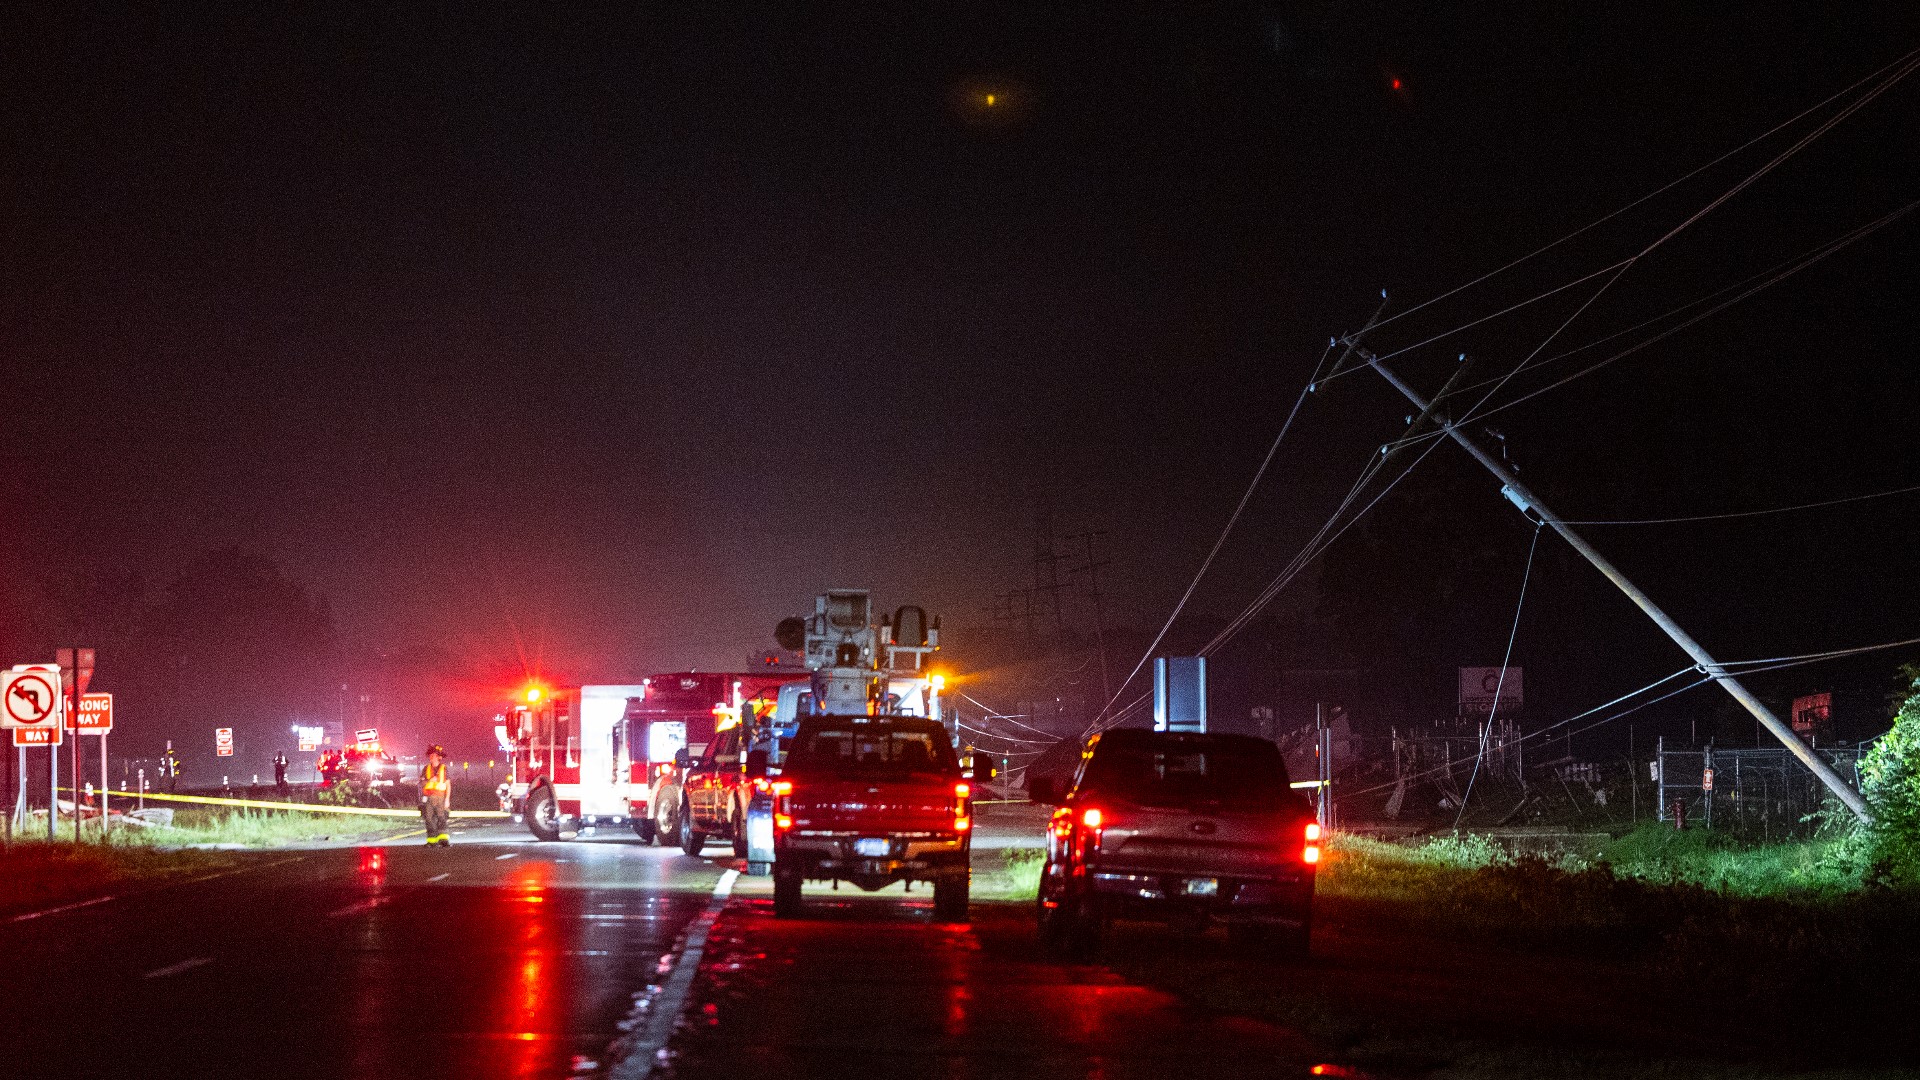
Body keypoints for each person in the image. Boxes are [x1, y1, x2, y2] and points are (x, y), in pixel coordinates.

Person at [419, 745, 451, 846]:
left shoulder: (443, 768)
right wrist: (429, 780)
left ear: (438, 757)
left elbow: (448, 785)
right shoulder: (426, 768)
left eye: (433, 756)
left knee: (442, 818)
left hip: (440, 797)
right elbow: (422, 783)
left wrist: (447, 799)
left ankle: (443, 840)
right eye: (430, 756)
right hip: (428, 798)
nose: (431, 757)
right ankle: (431, 841)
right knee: (429, 818)